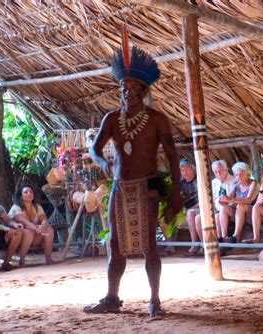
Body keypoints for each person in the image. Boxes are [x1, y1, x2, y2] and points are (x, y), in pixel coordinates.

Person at [84, 31, 183, 319]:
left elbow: (174, 157)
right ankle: (112, 298)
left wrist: (176, 193)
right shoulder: (112, 119)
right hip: (119, 188)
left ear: (144, 92)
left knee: (149, 246)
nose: (125, 94)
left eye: (131, 89)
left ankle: (155, 301)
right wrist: (100, 160)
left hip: (147, 187)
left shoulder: (157, 120)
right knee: (116, 245)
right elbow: (94, 147)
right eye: (122, 90)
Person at [8, 184, 55, 267]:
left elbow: (44, 219)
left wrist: (42, 226)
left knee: (49, 229)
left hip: (35, 237)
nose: (29, 194)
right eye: (26, 192)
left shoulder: (37, 207)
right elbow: (24, 222)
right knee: (28, 231)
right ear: (21, 196)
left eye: (31, 192)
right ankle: (22, 261)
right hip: (19, 239)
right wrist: (37, 228)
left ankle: (48, 259)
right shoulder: (16, 207)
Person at [195, 160, 236, 243]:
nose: (218, 174)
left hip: (232, 211)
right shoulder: (213, 183)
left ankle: (221, 241)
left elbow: (235, 200)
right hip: (216, 210)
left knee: (219, 213)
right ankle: (205, 244)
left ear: (226, 170)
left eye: (220, 171)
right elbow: (211, 200)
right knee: (198, 218)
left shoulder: (234, 181)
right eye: (216, 172)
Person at [218, 162, 258, 243]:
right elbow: (227, 199)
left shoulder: (254, 183)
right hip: (238, 214)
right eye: (236, 175)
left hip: (252, 214)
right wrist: (223, 200)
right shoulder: (236, 185)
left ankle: (236, 236)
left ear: (247, 174)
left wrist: (232, 200)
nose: (238, 177)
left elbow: (249, 200)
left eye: (241, 174)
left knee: (241, 205)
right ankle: (224, 236)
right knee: (223, 208)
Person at [179, 158, 201, 256]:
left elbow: (203, 201)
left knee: (191, 213)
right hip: (186, 210)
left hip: (199, 208)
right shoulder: (181, 184)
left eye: (187, 170)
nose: (185, 173)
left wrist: (188, 209)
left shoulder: (199, 181)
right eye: (183, 170)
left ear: (193, 169)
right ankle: (169, 246)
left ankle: (195, 244)